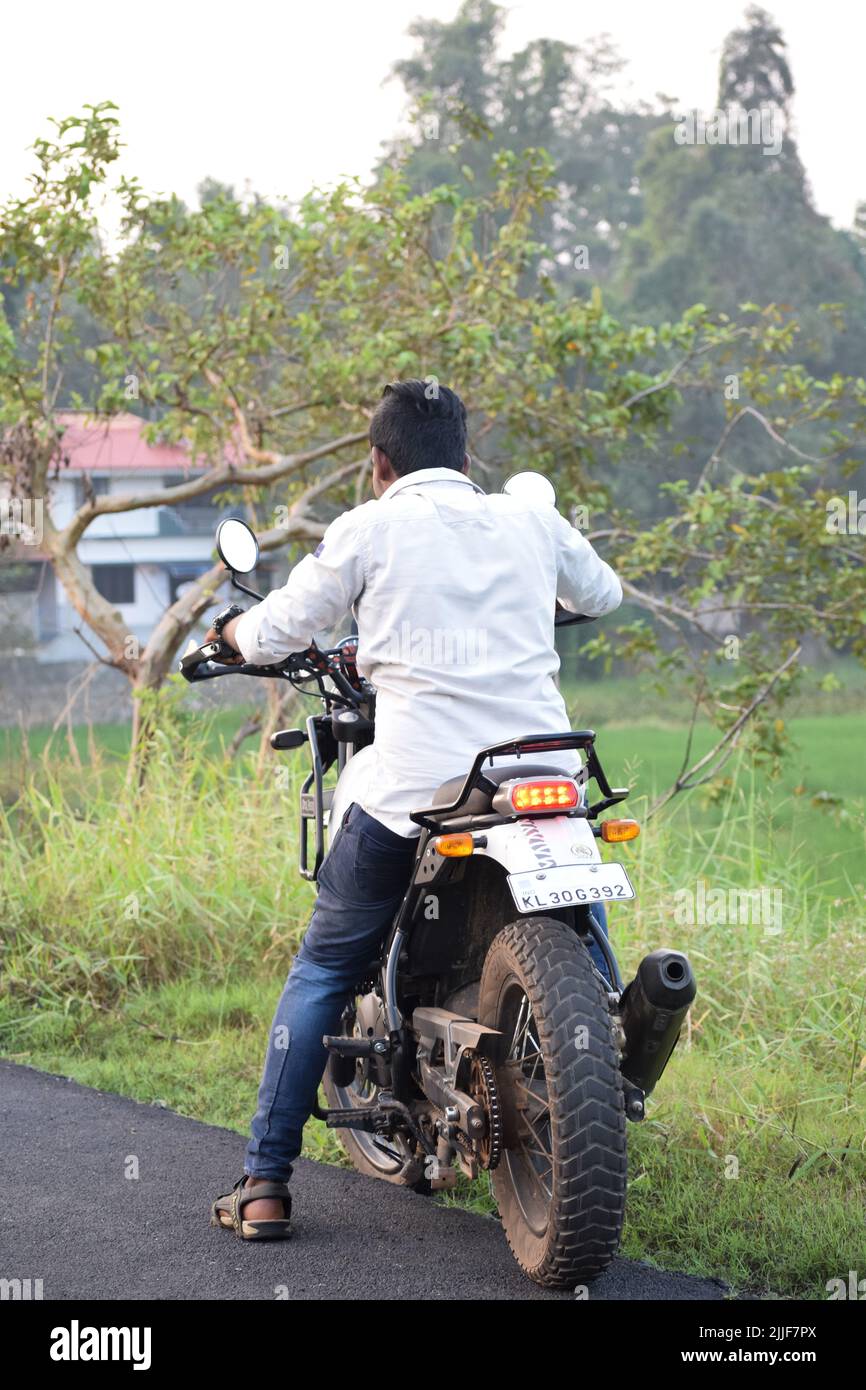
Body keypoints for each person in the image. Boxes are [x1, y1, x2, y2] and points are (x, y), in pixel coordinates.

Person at [208, 379, 622, 1240]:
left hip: (419, 790)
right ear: (468, 459)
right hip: (542, 774)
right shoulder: (528, 519)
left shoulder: (370, 526)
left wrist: (228, 640)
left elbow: (283, 624)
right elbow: (603, 596)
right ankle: (616, 1022)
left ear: (378, 465)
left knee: (323, 968)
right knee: (583, 921)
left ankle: (263, 1183)